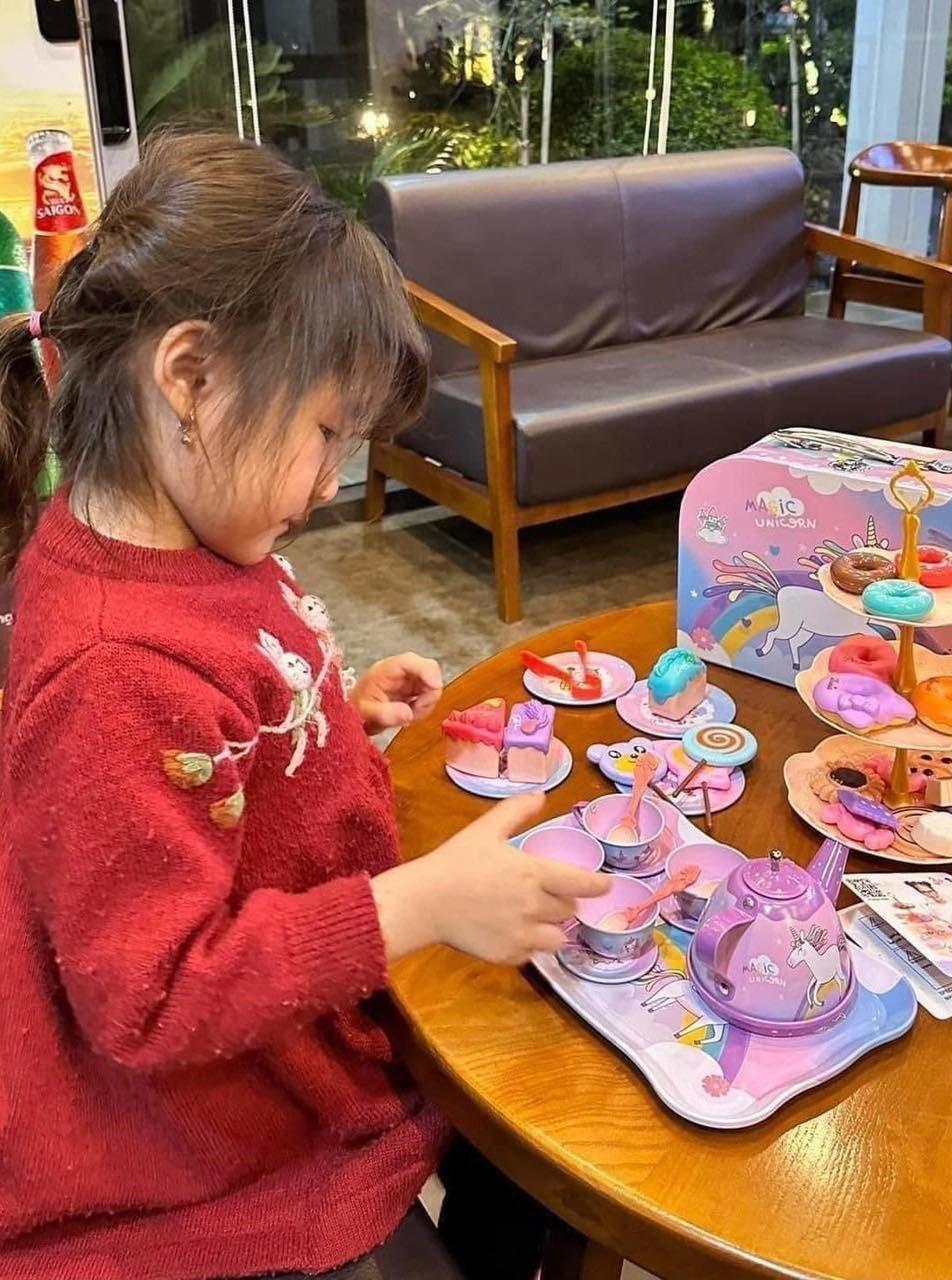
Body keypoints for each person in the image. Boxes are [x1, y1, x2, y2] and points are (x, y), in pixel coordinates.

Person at [0, 132, 608, 1280]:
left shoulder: (198, 537)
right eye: (326, 431)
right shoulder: (109, 667)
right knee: (534, 1121)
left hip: (295, 1042)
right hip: (209, 1156)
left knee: (535, 1119)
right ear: (190, 377)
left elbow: (220, 742)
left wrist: (328, 720)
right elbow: (153, 998)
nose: (332, 481)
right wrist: (419, 900)